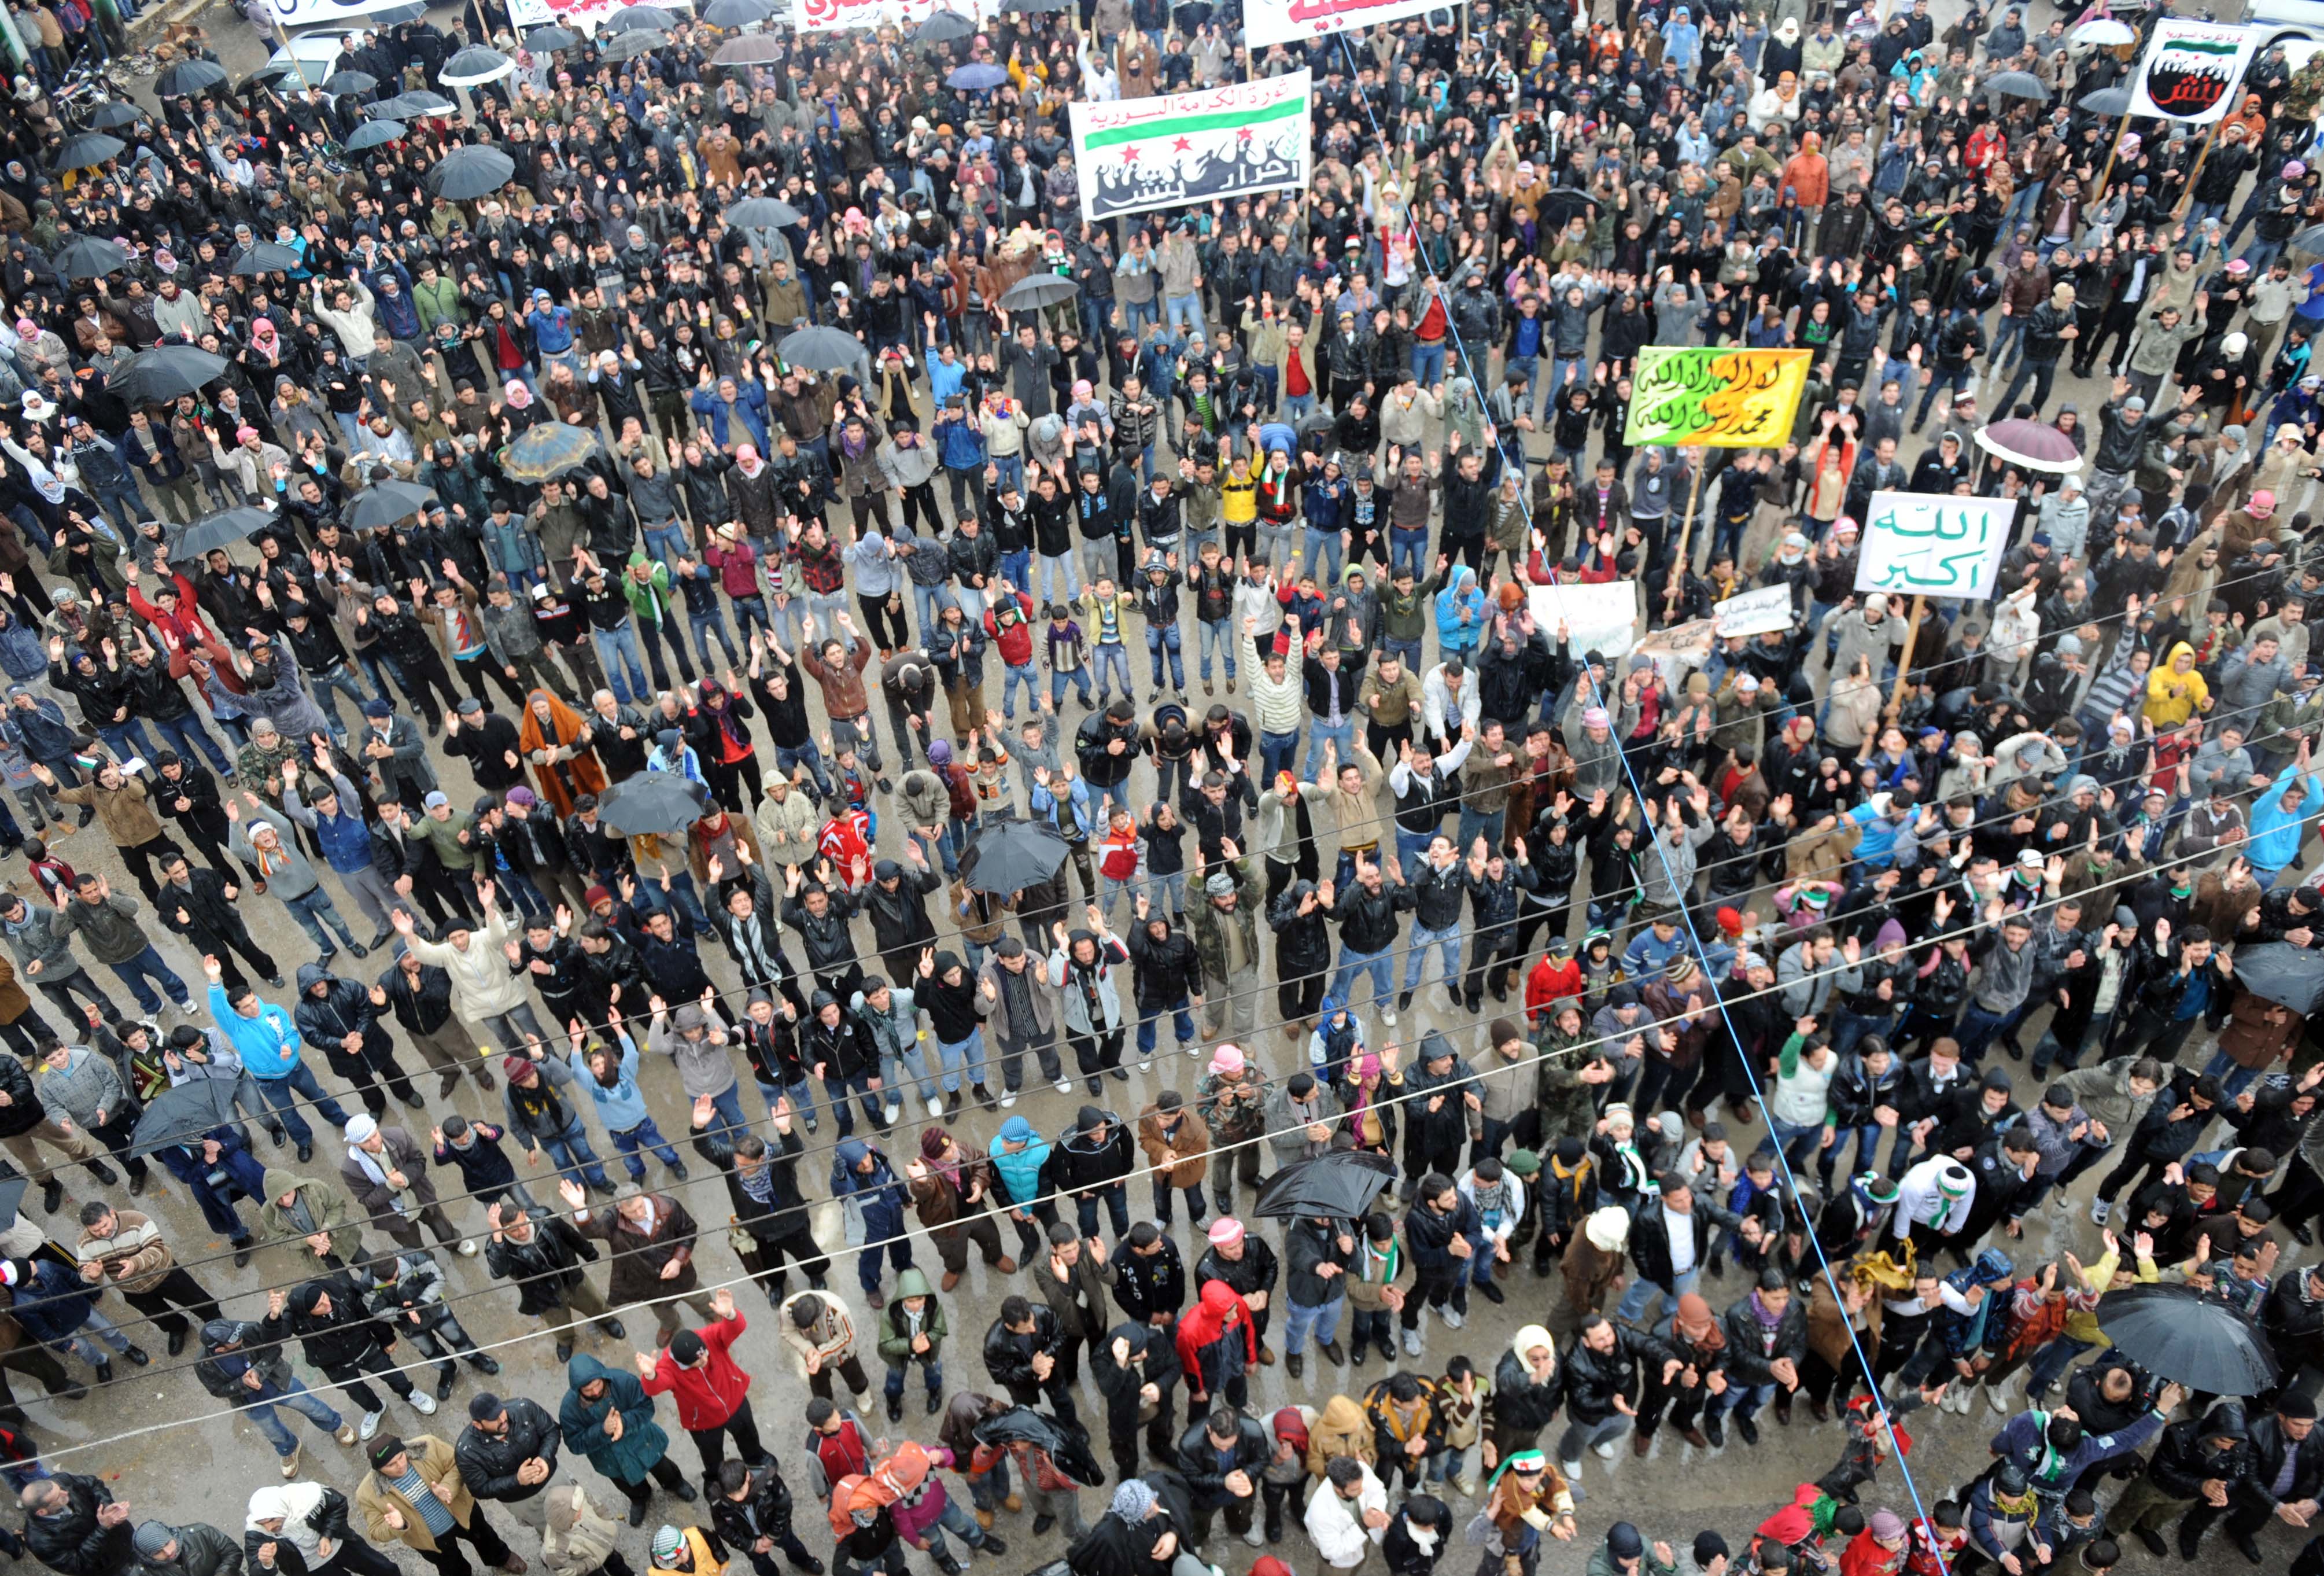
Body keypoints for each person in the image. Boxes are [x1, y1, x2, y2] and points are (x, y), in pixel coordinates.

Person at [355, 1434, 526, 1576]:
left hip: (461, 1512)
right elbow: (376, 1532)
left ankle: (501, 1558)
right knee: (451, 1567)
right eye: (390, 1465)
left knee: (486, 1537)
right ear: (378, 1469)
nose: (400, 1466)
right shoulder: (367, 1494)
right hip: (429, 1539)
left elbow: (458, 1464)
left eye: (401, 1457)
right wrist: (398, 1526)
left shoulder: (428, 1446)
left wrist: (447, 1487)